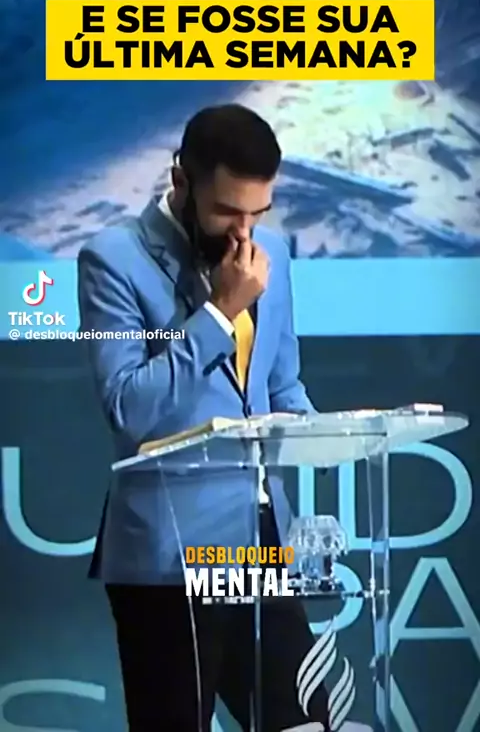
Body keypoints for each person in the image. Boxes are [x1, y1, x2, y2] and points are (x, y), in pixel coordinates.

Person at [78, 104, 329, 732]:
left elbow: (281, 384)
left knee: (306, 724)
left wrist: (327, 438)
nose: (243, 233)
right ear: (181, 182)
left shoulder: (272, 255)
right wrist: (219, 313)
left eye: (258, 213)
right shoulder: (112, 259)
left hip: (260, 543)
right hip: (170, 552)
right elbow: (128, 407)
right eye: (226, 212)